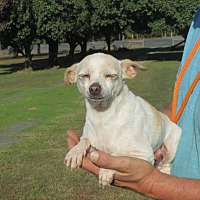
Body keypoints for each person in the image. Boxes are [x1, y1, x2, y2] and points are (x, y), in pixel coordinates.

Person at [66, 8, 200, 200]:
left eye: (109, 76)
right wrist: (82, 146)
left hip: (174, 153)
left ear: (129, 72)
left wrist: (153, 181)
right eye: (85, 77)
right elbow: (187, 94)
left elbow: (143, 154)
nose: (94, 86)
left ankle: (166, 165)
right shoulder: (197, 20)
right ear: (72, 77)